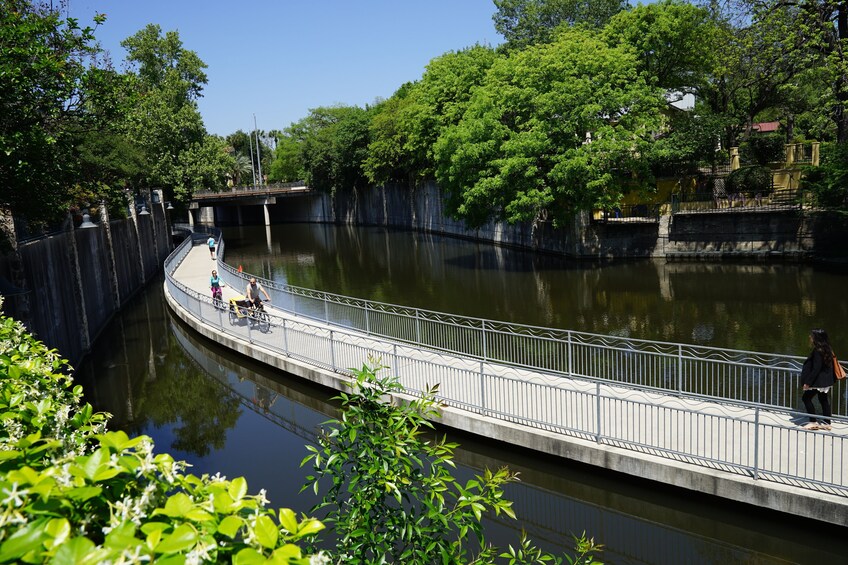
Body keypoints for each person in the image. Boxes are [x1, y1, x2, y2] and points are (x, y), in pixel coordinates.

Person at [800, 328, 835, 430]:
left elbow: (816, 369)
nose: (810, 337)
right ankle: (826, 423)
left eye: (812, 336)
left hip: (818, 381)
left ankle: (813, 422)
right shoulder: (827, 348)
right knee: (823, 399)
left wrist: (807, 383)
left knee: (806, 398)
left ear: (816, 338)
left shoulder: (817, 351)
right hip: (825, 381)